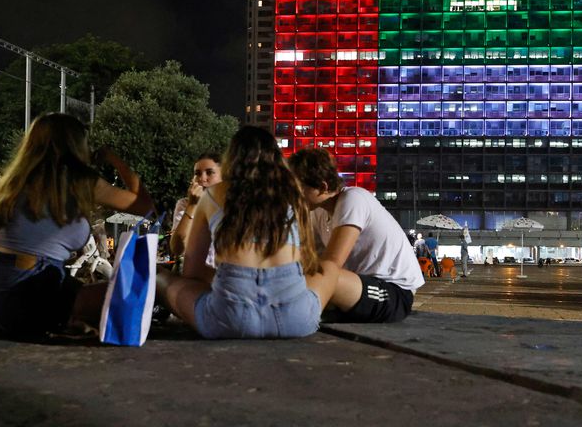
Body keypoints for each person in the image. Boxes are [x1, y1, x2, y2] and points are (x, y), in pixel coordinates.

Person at [0, 113, 154, 339]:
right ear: (75, 144)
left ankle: (64, 319)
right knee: (141, 290)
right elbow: (145, 206)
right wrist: (113, 159)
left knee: (73, 286)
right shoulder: (79, 179)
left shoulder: (15, 179)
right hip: (27, 296)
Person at [156, 126, 339, 339]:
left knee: (162, 279)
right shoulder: (294, 194)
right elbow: (307, 262)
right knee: (330, 268)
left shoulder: (214, 195)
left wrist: (232, 281)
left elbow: (191, 272)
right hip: (294, 319)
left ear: (231, 160)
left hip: (230, 319)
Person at [288, 148, 425, 323]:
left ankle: (298, 318)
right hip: (356, 287)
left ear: (322, 187)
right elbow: (306, 258)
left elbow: (331, 264)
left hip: (393, 292)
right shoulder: (318, 213)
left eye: (297, 190)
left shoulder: (353, 198)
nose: (292, 197)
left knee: (326, 274)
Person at [169, 152, 223, 268]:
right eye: (197, 174)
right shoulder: (184, 204)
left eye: (210, 173)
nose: (202, 179)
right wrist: (192, 206)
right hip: (196, 277)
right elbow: (177, 248)